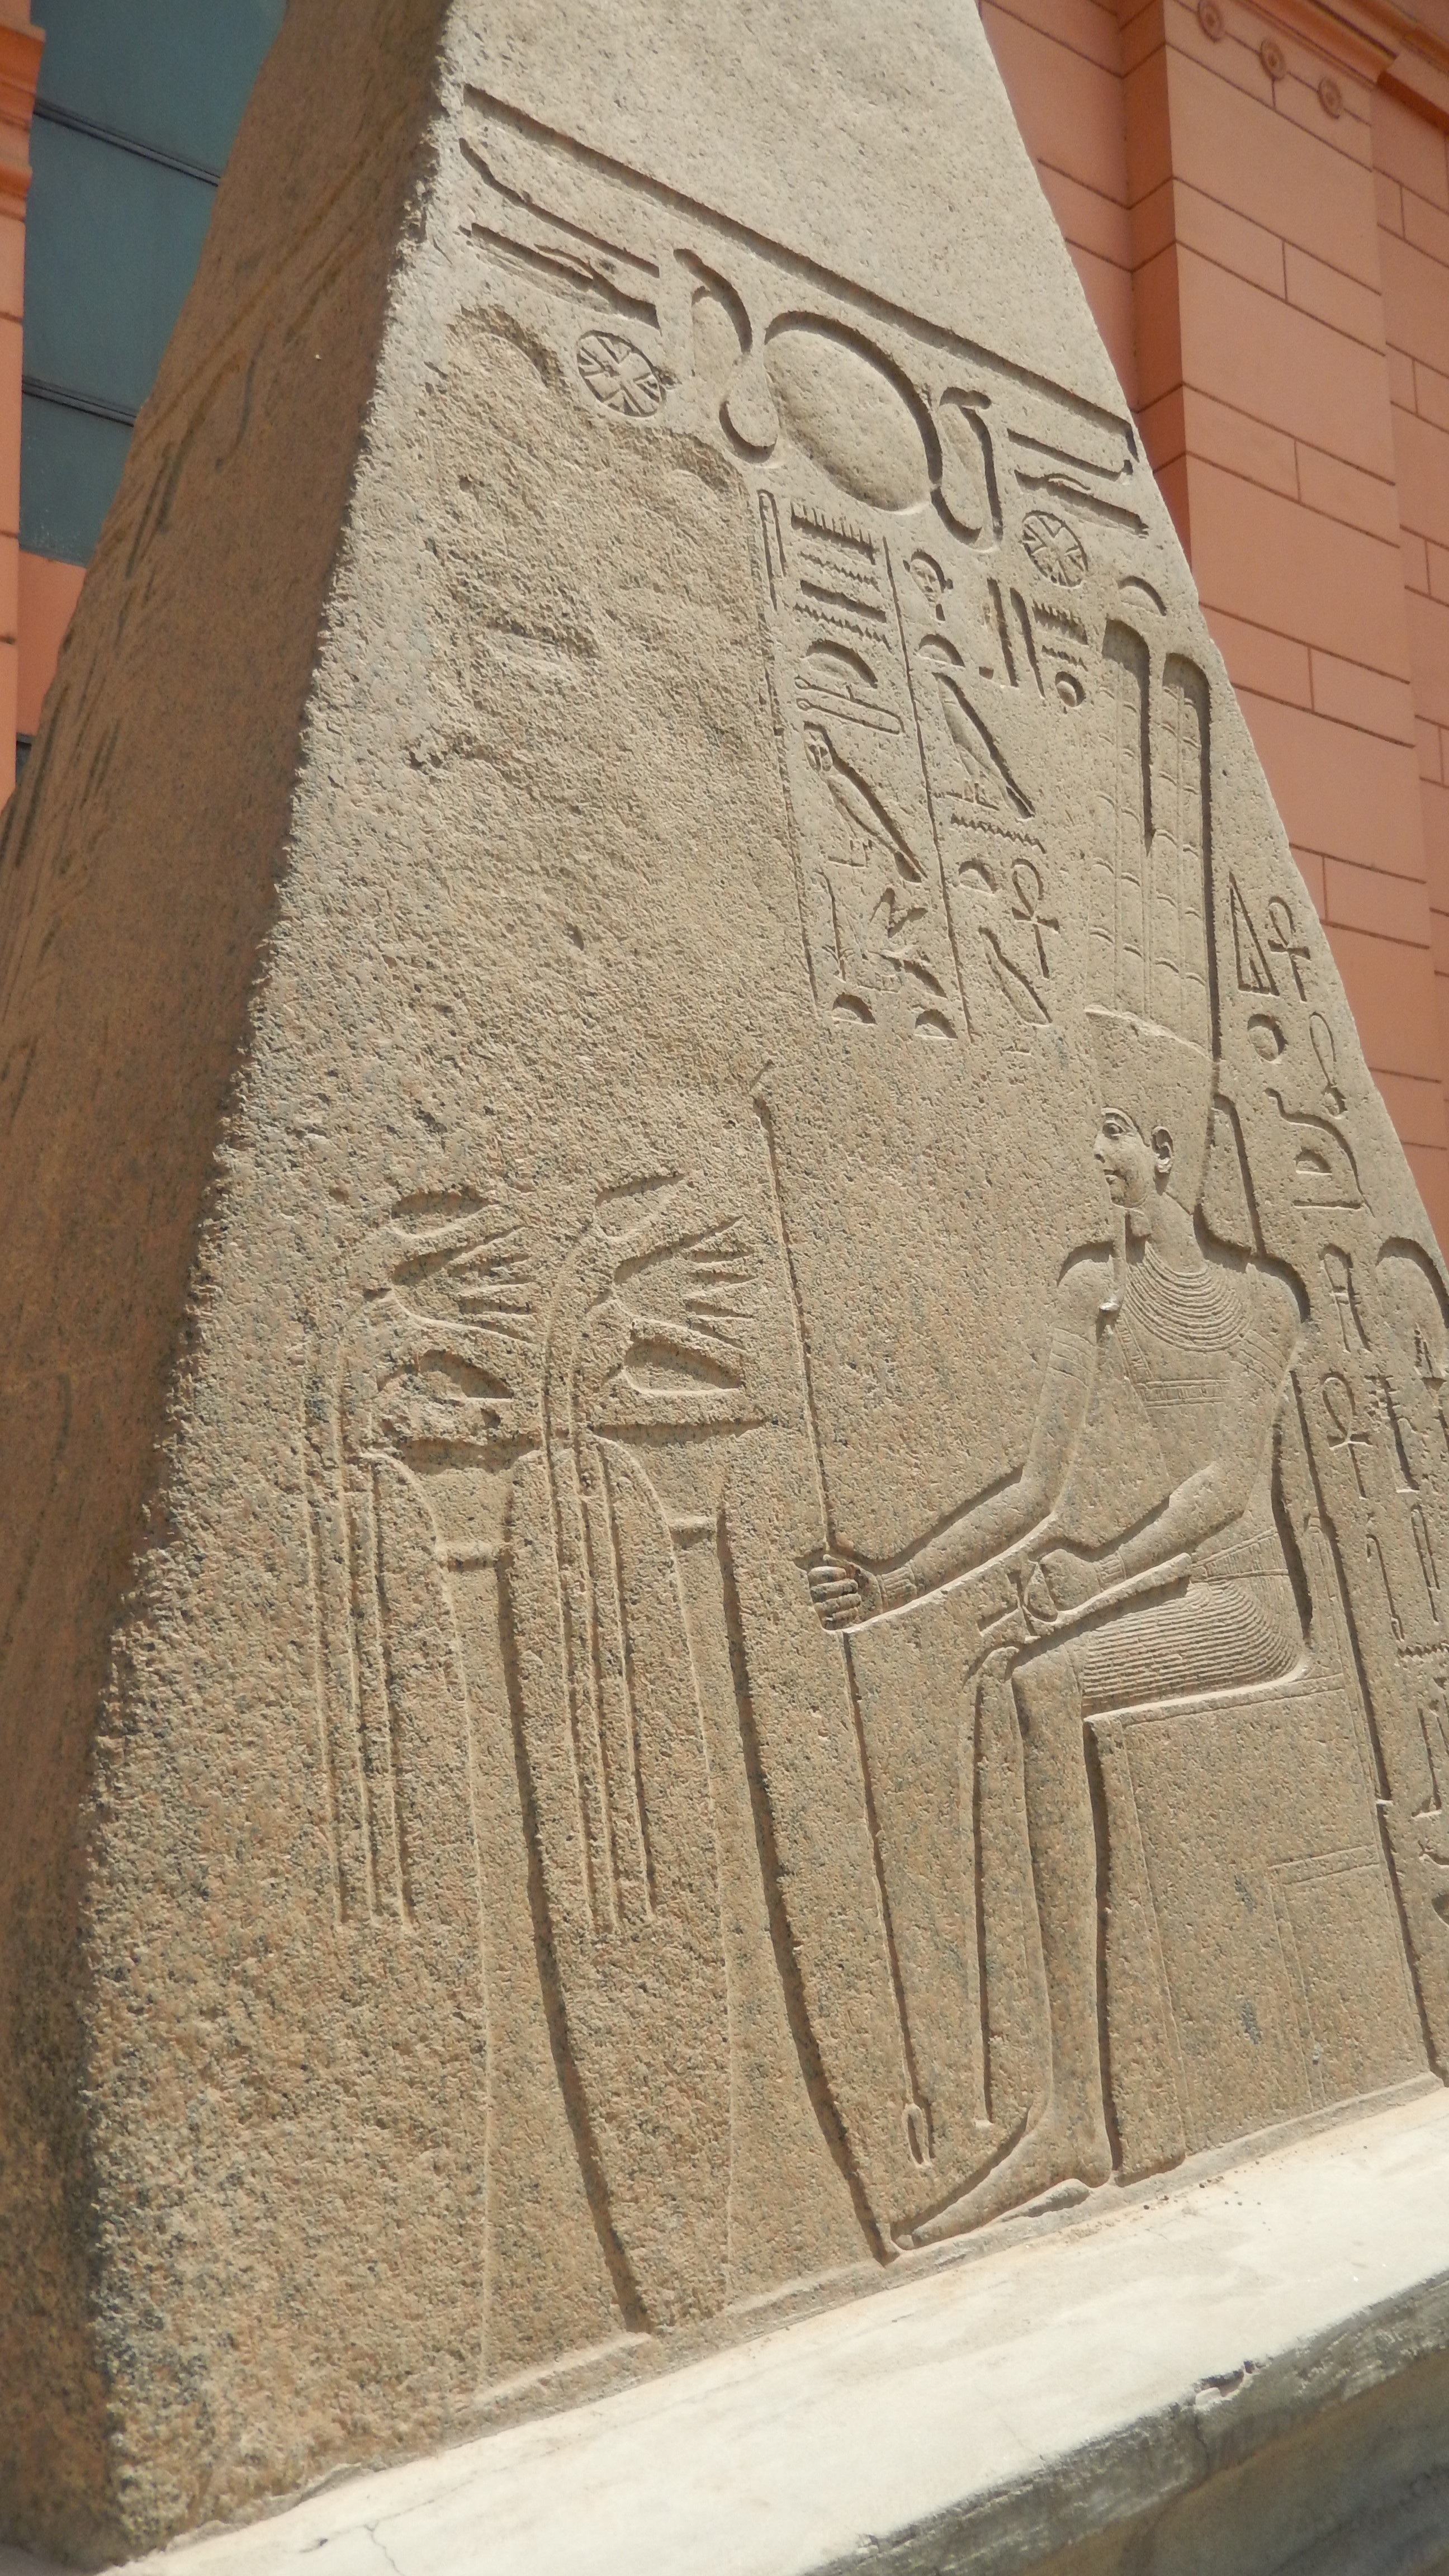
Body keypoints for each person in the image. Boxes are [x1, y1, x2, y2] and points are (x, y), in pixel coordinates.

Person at [808, 1009, 1304, 2236]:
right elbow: (1035, 1493)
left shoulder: (1262, 1303)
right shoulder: (1094, 1290)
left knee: (1046, 1683)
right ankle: (1031, 2088)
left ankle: (1077, 2112)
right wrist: (893, 1585)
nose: (1097, 1156)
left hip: (1246, 1606)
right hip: (1165, 1586)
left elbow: (1225, 1486)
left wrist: (1097, 1581)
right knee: (1004, 1672)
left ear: (1168, 1153)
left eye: (1115, 1133)